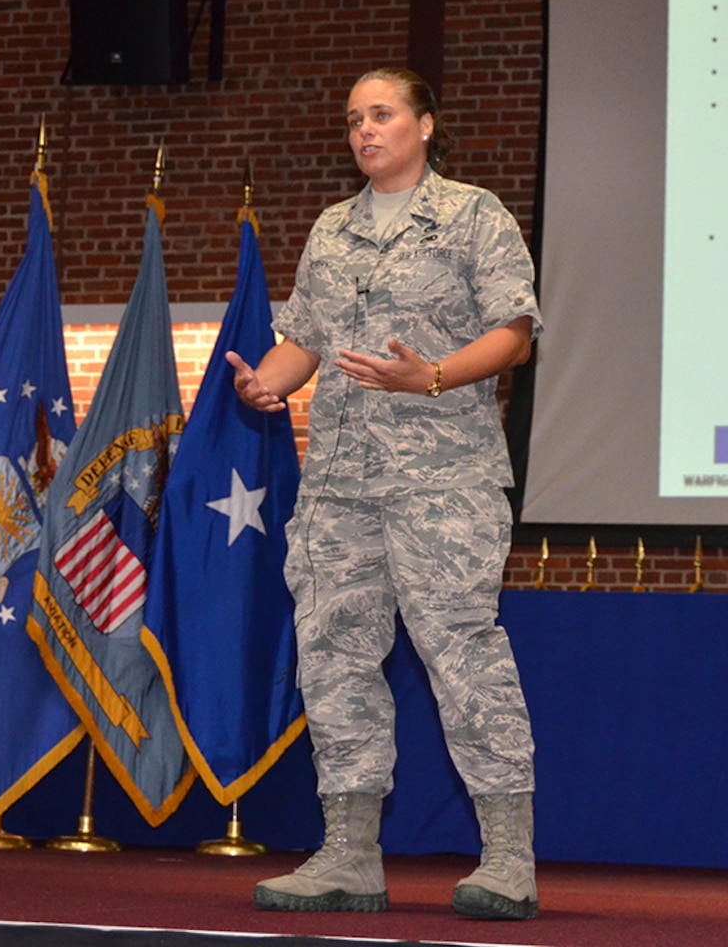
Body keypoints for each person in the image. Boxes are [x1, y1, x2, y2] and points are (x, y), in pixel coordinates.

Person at [227, 67, 541, 920]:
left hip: (446, 481)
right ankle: (349, 854)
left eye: (383, 114)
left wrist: (429, 376)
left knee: (462, 654)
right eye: (354, 119)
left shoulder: (474, 215)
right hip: (338, 485)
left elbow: (514, 333)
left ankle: (509, 858)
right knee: (332, 653)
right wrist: (270, 383)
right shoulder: (331, 230)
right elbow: (307, 340)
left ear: (426, 125)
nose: (365, 131)